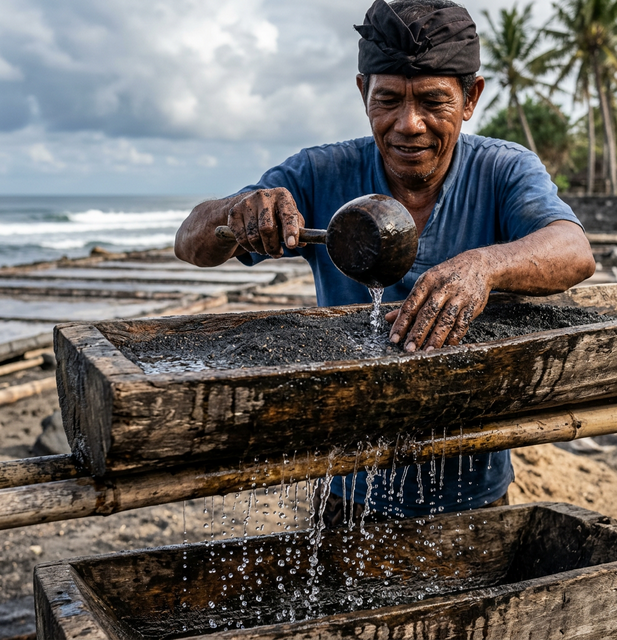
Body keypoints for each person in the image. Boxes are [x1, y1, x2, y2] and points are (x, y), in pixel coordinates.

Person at [175, 0, 595, 525]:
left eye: (433, 101)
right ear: (362, 94)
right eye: (389, 100)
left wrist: (482, 267)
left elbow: (573, 249)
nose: (409, 124)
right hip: (350, 487)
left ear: (471, 98)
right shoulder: (318, 172)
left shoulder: (503, 169)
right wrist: (233, 215)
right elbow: (190, 242)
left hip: (474, 490)